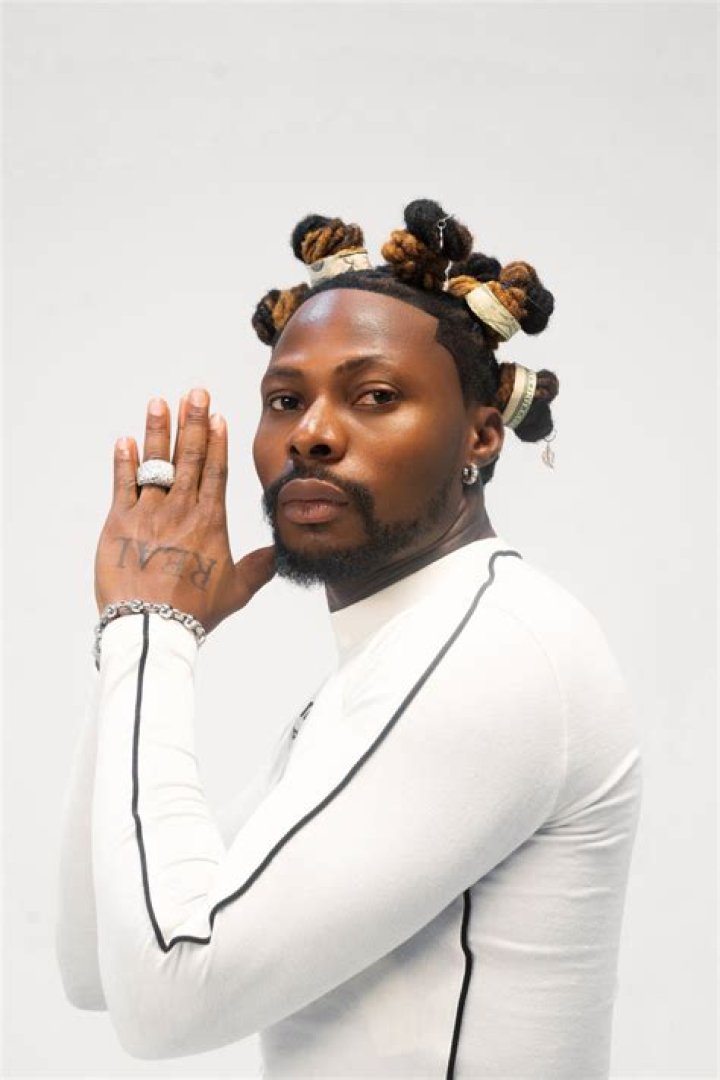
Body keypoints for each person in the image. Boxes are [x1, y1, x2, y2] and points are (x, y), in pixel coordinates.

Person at [55, 199, 643, 1078]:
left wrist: (153, 633)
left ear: (482, 434)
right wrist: (133, 636)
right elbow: (98, 963)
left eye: (375, 397)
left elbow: (167, 995)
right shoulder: (400, 660)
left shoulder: (499, 651)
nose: (313, 435)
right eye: (285, 400)